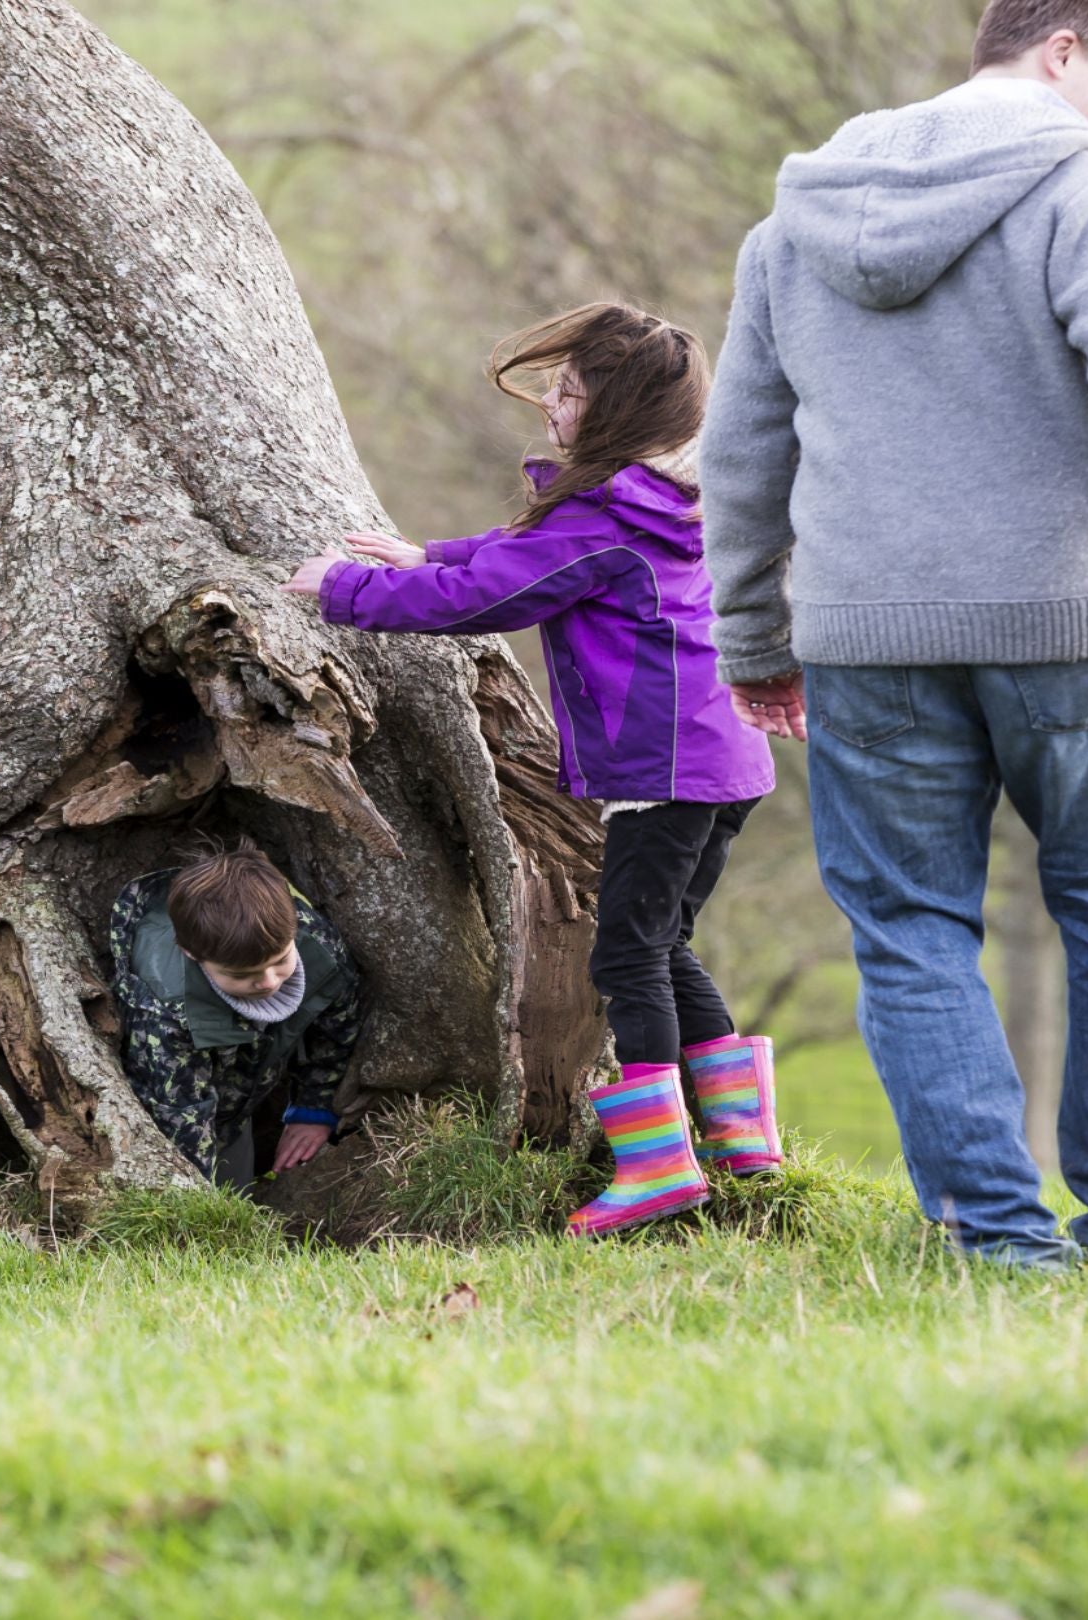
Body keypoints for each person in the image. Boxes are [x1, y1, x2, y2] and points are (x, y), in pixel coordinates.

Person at [694, 0, 1088, 1266]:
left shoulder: (796, 222)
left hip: (867, 637)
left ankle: (995, 1239)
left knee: (908, 931)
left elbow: (740, 451)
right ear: (1061, 50)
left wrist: (752, 633)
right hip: (1076, 624)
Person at [285, 301, 783, 1238]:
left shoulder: (607, 516)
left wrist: (346, 589)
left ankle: (657, 1168)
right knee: (664, 943)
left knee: (627, 956)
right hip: (721, 763)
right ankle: (741, 1139)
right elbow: (519, 557)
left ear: (617, 414)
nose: (551, 406)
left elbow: (493, 594)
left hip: (661, 767)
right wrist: (426, 554)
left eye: (570, 393)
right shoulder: (667, 502)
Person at [106, 844, 363, 1182]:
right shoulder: (165, 1011)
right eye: (242, 975)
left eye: (280, 962)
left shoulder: (317, 945)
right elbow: (180, 1116)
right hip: (201, 1120)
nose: (269, 982)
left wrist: (313, 1109)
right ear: (191, 954)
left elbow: (337, 1030)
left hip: (244, 1103)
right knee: (221, 1201)